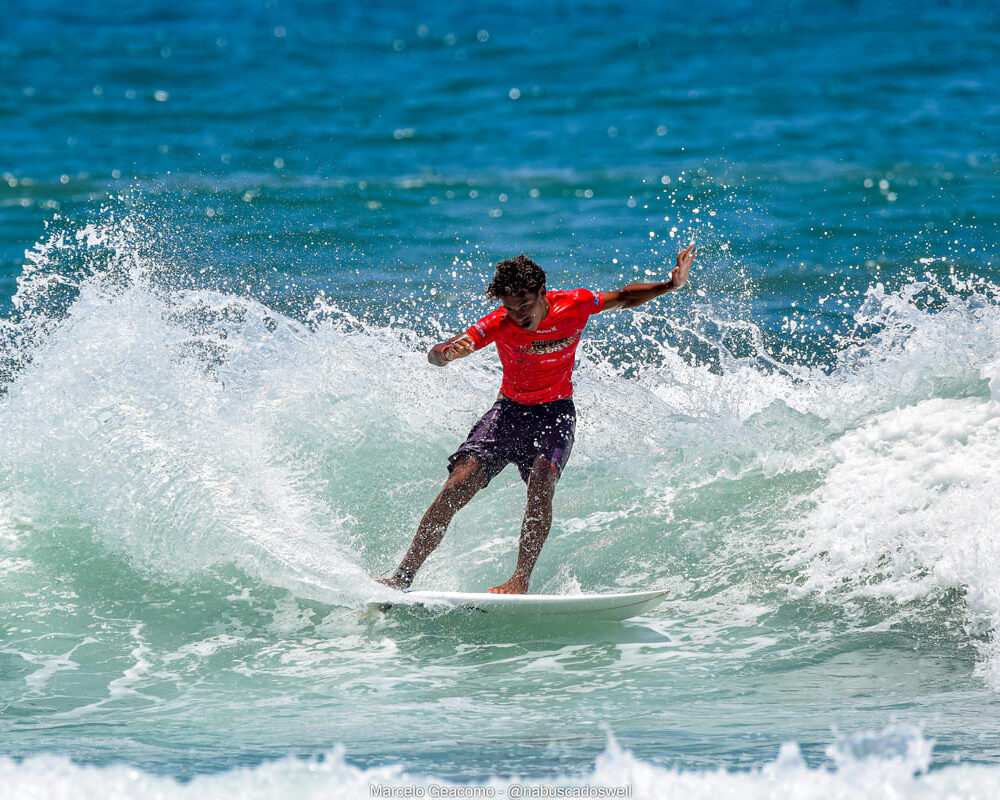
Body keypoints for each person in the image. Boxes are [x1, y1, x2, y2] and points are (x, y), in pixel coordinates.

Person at [377, 244, 696, 594]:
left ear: (543, 294)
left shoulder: (575, 304)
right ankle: (402, 576)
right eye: (510, 309)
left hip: (555, 413)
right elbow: (436, 355)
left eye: (525, 306)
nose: (518, 316)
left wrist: (670, 285)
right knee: (457, 486)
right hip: (508, 413)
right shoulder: (498, 323)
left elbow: (623, 297)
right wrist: (448, 354)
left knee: (541, 485)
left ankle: (519, 580)